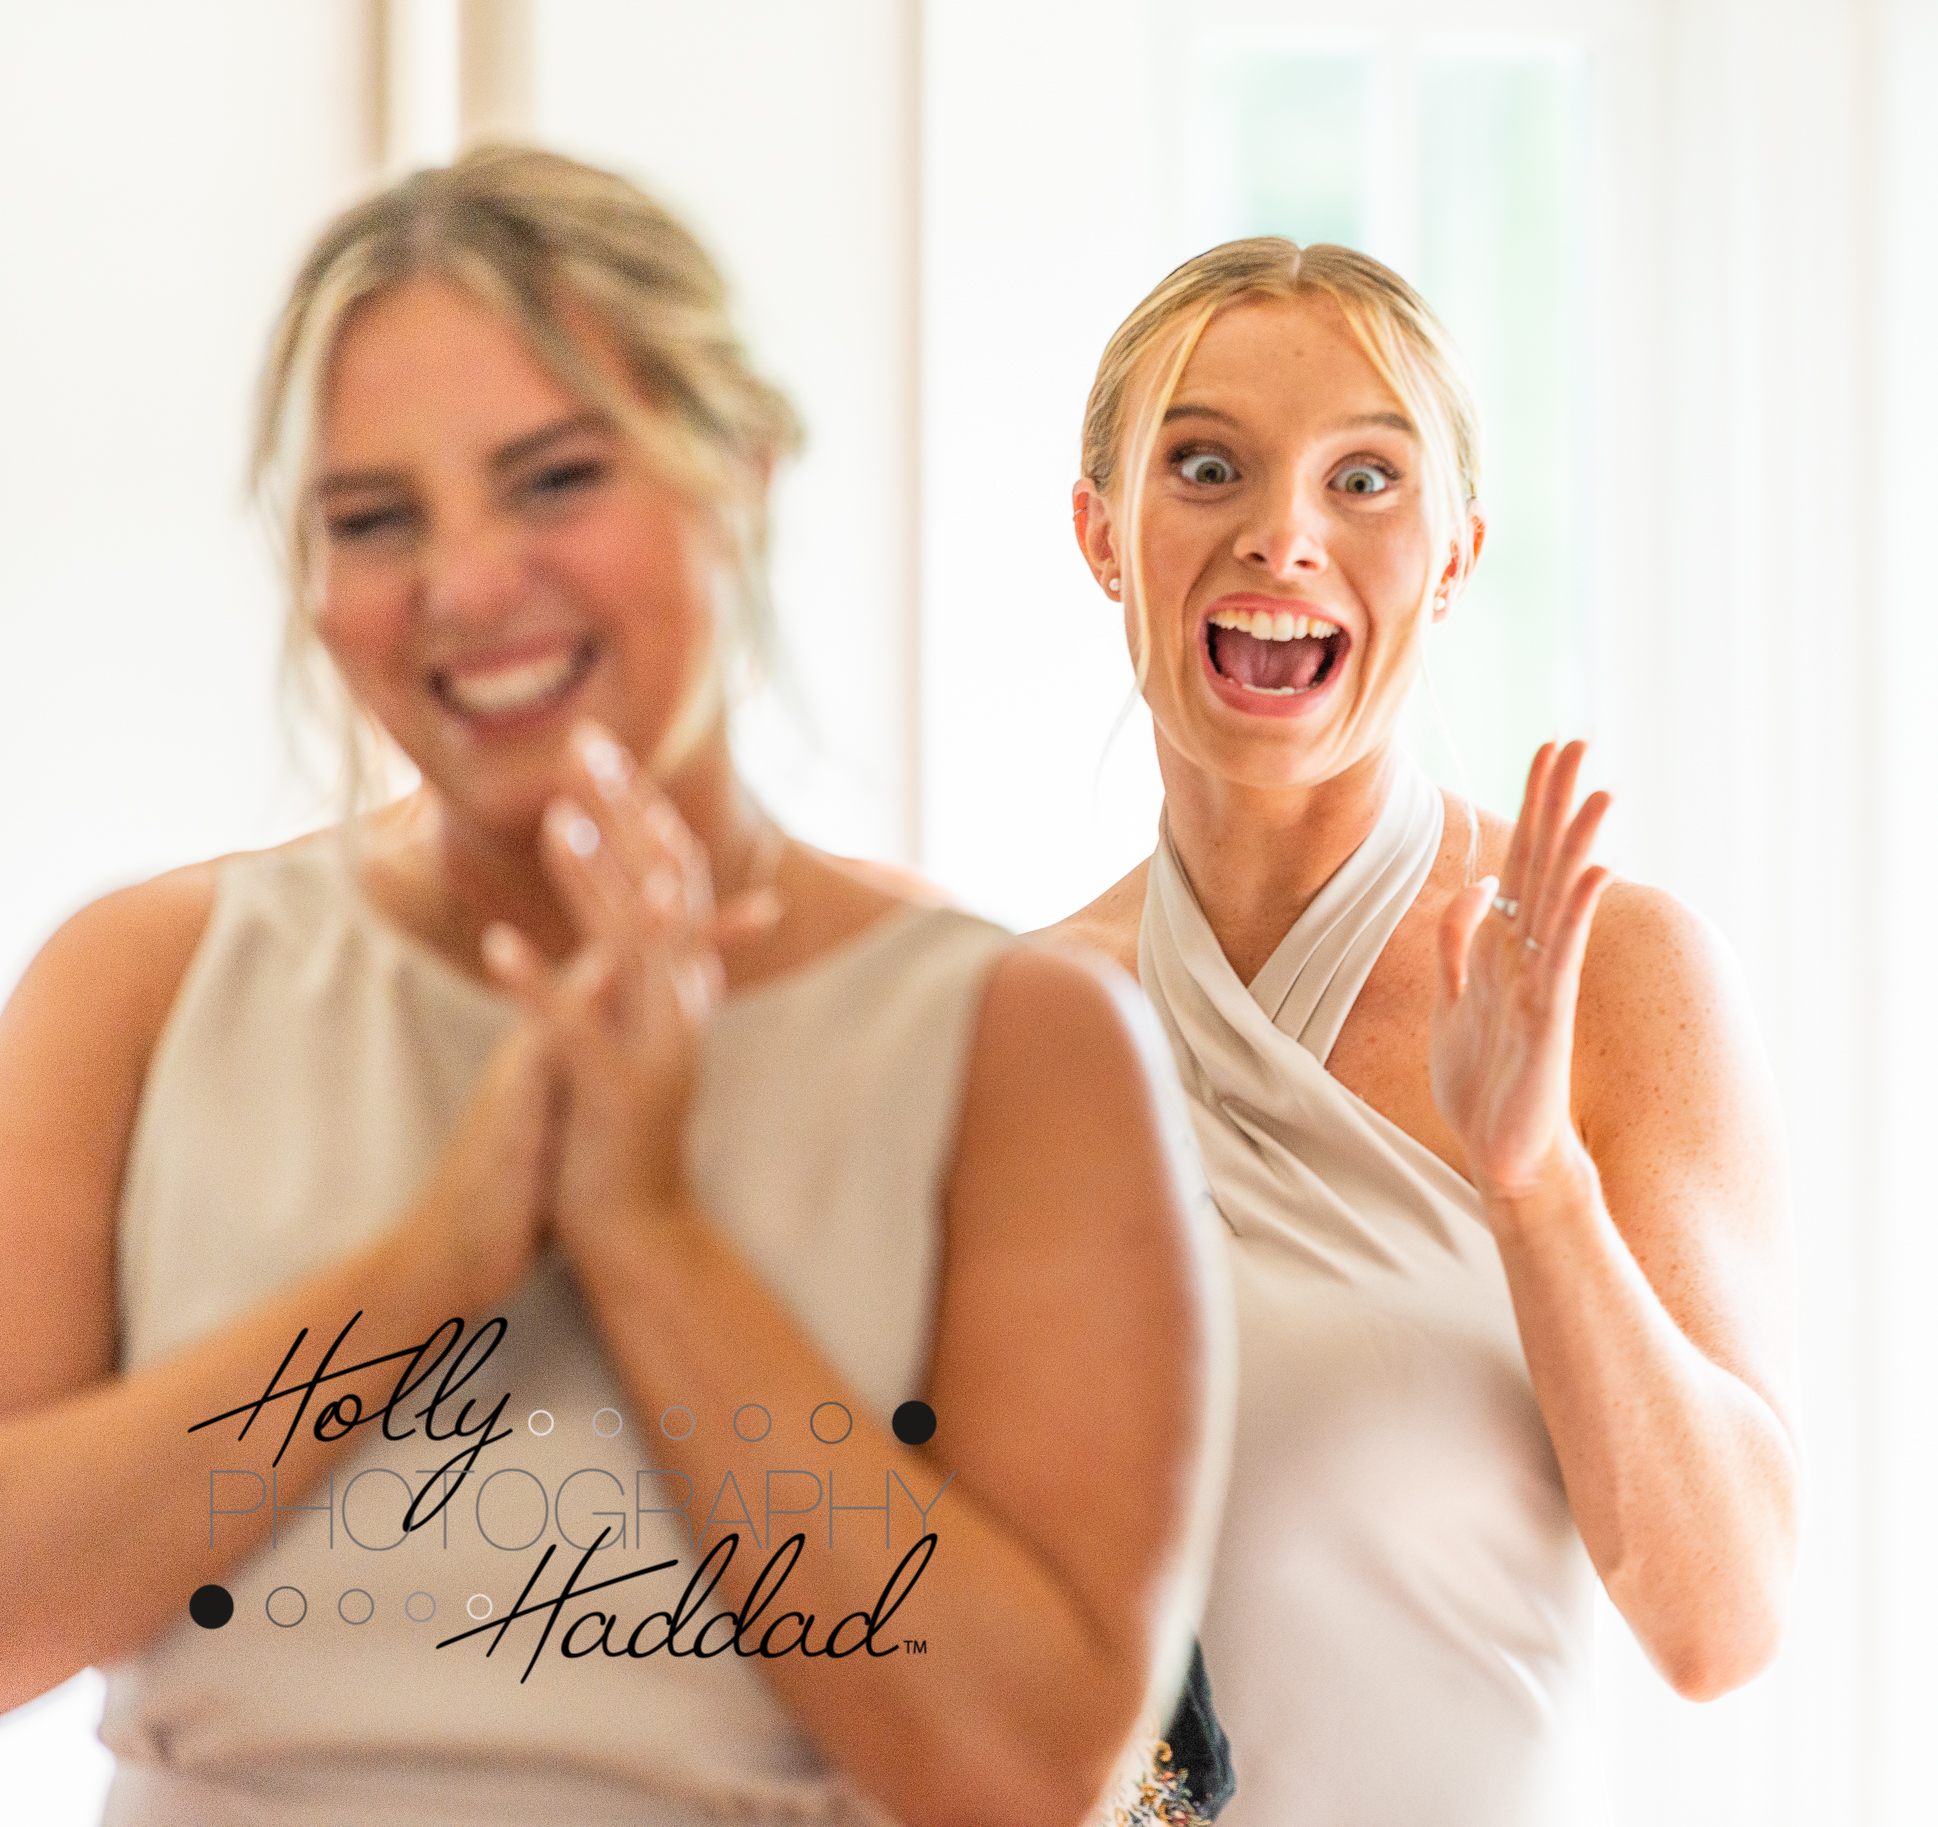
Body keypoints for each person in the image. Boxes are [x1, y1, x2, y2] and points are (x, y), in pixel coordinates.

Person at [0, 146, 1228, 1826]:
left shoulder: (1021, 1049)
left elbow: (1019, 1771)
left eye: (555, 480)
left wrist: (645, 1229)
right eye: (374, 519)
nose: (465, 585)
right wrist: (432, 1264)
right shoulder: (145, 988)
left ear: (742, 472)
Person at [1043, 238, 1803, 1823]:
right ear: (1101, 532)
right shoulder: (1013, 1027)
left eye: (1365, 480)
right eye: (1205, 465)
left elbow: (1721, 1622)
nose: (1281, 534)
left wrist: (1535, 1187)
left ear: (1454, 557)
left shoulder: (1616, 980)